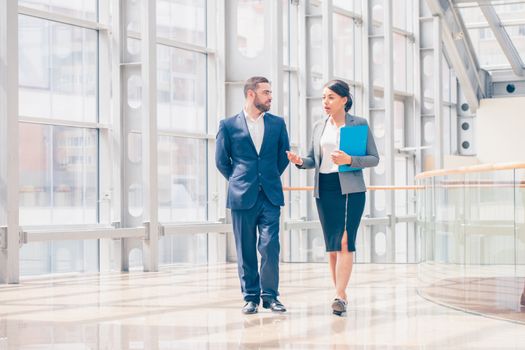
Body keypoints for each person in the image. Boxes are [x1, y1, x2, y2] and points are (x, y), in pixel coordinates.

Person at [287, 79, 379, 316]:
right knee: (333, 245)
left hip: (349, 188)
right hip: (325, 187)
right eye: (323, 98)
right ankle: (341, 292)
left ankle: (339, 296)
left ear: (344, 100)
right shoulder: (319, 126)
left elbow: (373, 158)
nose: (325, 102)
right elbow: (312, 159)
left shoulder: (359, 124)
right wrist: (300, 161)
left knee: (346, 242)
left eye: (331, 98)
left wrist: (349, 160)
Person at [215, 76, 290, 314]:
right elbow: (221, 161)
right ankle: (250, 297)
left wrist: (265, 178)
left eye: (270, 92)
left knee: (270, 246)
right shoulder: (228, 125)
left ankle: (270, 296)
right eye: (266, 92)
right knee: (245, 248)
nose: (270, 97)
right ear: (251, 94)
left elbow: (282, 157)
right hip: (241, 196)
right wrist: (240, 179)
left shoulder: (278, 124)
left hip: (269, 195)